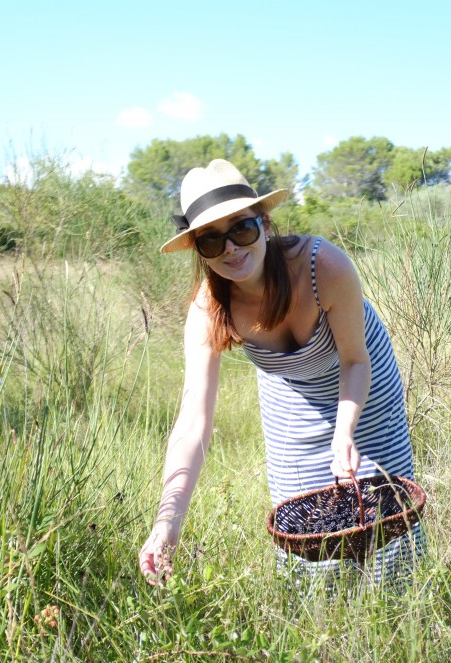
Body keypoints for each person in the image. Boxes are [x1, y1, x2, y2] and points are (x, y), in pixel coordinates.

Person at [138, 159, 424, 586]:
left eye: (242, 229)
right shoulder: (208, 310)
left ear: (265, 222)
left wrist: (343, 432)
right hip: (289, 389)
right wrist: (168, 521)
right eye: (211, 241)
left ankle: (394, 612)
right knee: (306, 533)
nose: (231, 248)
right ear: (198, 251)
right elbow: (193, 420)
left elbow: (354, 361)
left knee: (380, 513)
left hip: (360, 378)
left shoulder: (323, 266)